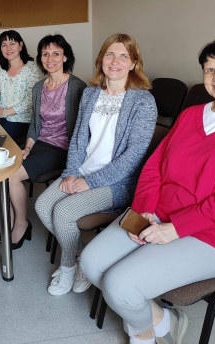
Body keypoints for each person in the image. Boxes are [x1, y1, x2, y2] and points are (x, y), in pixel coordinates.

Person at [79, 36, 215, 344]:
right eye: (209, 69)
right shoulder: (191, 115)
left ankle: (143, 337)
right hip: (156, 214)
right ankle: (163, 320)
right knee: (90, 262)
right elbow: (154, 168)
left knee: (120, 286)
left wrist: (176, 228)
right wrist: (144, 210)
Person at [35, 33, 157, 296]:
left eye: (124, 56)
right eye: (110, 54)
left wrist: (89, 182)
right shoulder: (90, 94)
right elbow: (79, 139)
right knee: (42, 205)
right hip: (82, 170)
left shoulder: (143, 101)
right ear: (101, 59)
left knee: (63, 212)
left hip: (116, 183)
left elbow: (133, 157)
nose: (115, 61)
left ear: (134, 63)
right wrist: (71, 173)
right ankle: (82, 260)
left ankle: (68, 268)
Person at [0, 34, 86, 249]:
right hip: (40, 143)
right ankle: (10, 220)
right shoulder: (38, 88)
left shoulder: (76, 87)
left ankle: (21, 224)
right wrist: (27, 148)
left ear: (65, 57)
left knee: (12, 176)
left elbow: (82, 131)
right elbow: (36, 125)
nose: (50, 59)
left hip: (62, 148)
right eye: (45, 54)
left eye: (56, 54)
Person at [0, 30, 41, 141]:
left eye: (12, 43)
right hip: (0, 116)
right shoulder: (0, 69)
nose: (8, 48)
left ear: (20, 46)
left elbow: (30, 100)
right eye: (4, 45)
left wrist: (4, 113)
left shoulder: (31, 69)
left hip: (22, 120)